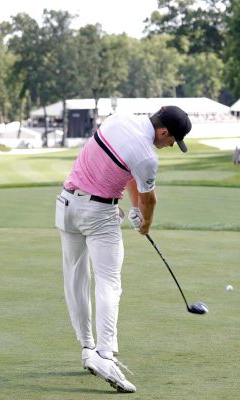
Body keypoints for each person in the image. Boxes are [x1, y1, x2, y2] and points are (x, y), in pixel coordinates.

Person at [55, 106, 192, 393]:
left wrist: (134, 208)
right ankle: (105, 355)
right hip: (98, 215)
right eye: (171, 141)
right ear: (163, 132)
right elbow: (150, 200)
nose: (169, 146)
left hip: (66, 205)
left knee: (76, 281)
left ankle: (87, 350)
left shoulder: (119, 118)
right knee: (109, 284)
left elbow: (125, 170)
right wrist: (145, 223)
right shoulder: (147, 155)